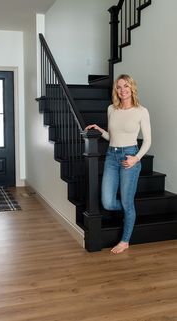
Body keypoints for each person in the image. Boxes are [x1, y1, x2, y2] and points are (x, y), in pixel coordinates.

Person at [85, 74, 151, 254]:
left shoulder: (141, 111)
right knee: (107, 202)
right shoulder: (111, 109)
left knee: (127, 202)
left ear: (132, 88)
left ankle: (125, 240)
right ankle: (131, 212)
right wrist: (100, 130)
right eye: (119, 87)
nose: (122, 90)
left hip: (130, 157)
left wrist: (136, 158)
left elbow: (147, 141)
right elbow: (112, 137)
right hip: (111, 157)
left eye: (126, 86)